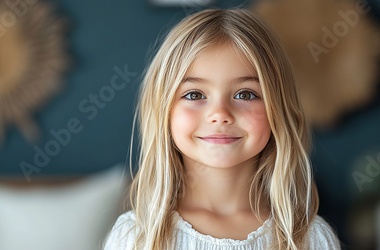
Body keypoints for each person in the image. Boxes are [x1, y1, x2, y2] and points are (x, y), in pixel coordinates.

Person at [103, 8, 341, 250]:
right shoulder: (135, 237)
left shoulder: (309, 238)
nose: (220, 114)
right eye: (194, 94)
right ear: (164, 110)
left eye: (245, 94)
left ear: (277, 108)